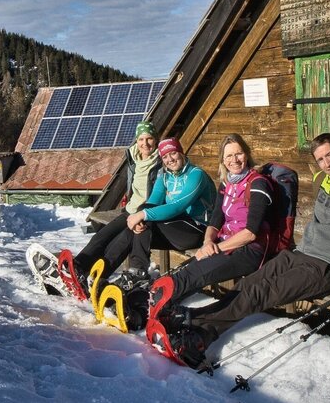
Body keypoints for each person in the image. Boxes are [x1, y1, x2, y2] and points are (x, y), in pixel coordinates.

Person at [166, 133, 330, 368]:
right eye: (320, 159)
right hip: (300, 254)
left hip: (329, 267)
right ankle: (194, 319)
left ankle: (200, 336)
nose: (327, 163)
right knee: (251, 283)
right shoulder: (322, 179)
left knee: (260, 293)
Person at [147, 134, 281, 319]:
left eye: (238, 154)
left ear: (247, 155)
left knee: (195, 273)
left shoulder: (258, 183)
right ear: (223, 161)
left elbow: (250, 233)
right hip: (225, 243)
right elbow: (215, 220)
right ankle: (161, 306)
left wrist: (215, 248)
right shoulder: (226, 183)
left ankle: (162, 308)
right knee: (187, 270)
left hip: (250, 250)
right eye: (228, 156)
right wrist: (208, 241)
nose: (234, 160)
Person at [102, 136, 216, 288]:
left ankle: (138, 273)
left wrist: (142, 215)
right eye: (165, 156)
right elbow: (152, 202)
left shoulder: (196, 174)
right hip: (174, 227)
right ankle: (103, 273)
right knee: (136, 228)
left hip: (197, 229)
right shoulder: (165, 177)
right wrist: (140, 217)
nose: (170, 159)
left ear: (181, 153)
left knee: (145, 219)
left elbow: (178, 206)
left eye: (173, 153)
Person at [68, 121, 162, 291]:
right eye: (141, 139)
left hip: (146, 213)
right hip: (129, 210)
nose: (145, 144)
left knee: (119, 243)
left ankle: (98, 278)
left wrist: (143, 215)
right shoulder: (132, 158)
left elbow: (159, 196)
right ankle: (78, 268)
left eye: (149, 139)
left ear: (155, 140)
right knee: (102, 236)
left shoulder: (161, 164)